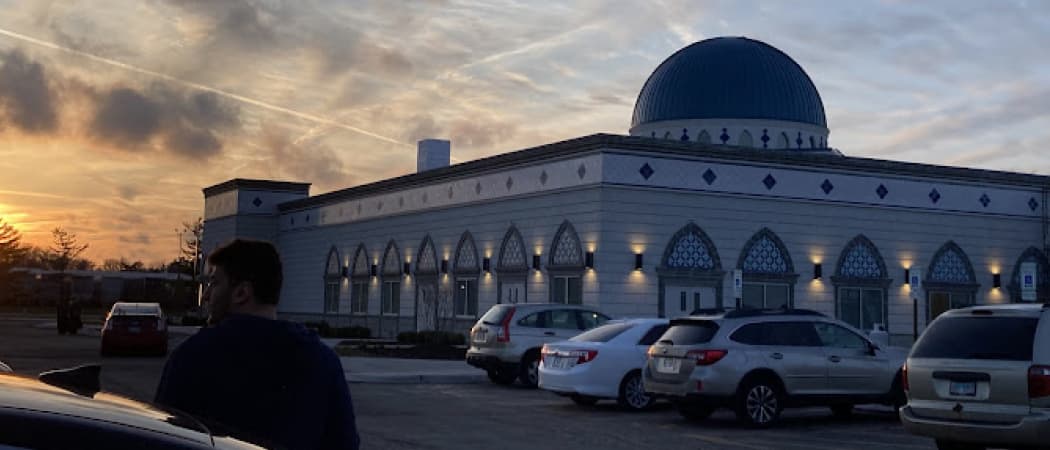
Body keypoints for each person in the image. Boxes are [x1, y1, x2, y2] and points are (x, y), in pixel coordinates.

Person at [155, 239, 360, 450]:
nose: (206, 295)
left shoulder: (193, 357)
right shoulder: (323, 362)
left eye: (214, 283)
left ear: (241, 293)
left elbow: (164, 439)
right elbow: (344, 443)